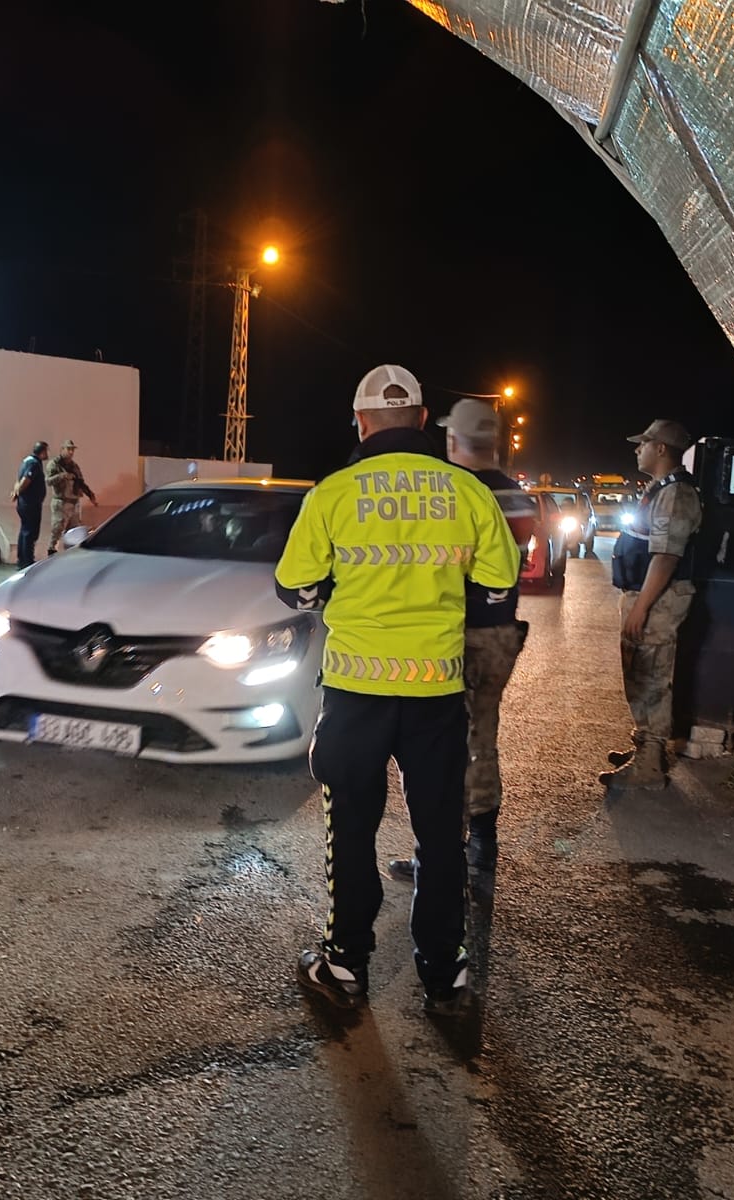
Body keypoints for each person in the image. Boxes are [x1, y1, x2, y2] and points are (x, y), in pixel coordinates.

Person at [275, 364, 520, 1016]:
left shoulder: (333, 493)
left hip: (356, 693)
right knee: (440, 836)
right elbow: (499, 587)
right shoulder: (467, 492)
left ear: (360, 422)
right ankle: (447, 976)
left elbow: (294, 587)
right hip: (436, 691)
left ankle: (345, 965)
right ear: (420, 420)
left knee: (349, 831)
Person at [386, 398, 534, 882]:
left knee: (440, 746)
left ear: (452, 441)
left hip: (452, 635)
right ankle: (482, 848)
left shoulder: (451, 493)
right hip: (501, 632)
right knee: (483, 736)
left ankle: (441, 856)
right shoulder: (518, 496)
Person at [602, 419, 703, 790]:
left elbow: (665, 557)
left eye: (643, 443)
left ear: (661, 449)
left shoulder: (676, 493)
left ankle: (651, 764)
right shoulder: (661, 489)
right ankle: (645, 746)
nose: (637, 449)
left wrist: (641, 608)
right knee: (639, 672)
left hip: (659, 600)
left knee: (652, 675)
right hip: (647, 596)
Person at [45, 438, 98, 554]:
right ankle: (51, 552)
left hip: (73, 502)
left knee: (73, 532)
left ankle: (69, 556)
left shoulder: (74, 466)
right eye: (68, 449)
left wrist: (90, 495)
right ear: (62, 449)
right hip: (60, 502)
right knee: (57, 530)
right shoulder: (54, 464)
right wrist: (62, 476)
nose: (71, 452)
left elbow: (81, 482)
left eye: (72, 450)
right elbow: (48, 481)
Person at [9, 440, 49, 567]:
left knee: (24, 530)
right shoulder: (34, 463)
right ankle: (26, 561)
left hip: (25, 503)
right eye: (46, 451)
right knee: (30, 532)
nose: (48, 453)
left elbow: (18, 479)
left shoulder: (26, 461)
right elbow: (26, 480)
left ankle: (22, 559)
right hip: (31, 504)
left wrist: (16, 492)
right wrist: (18, 491)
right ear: (42, 452)